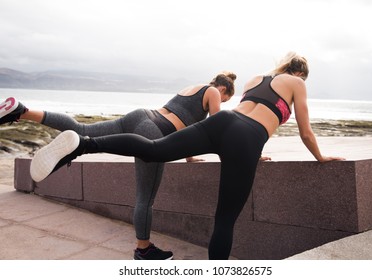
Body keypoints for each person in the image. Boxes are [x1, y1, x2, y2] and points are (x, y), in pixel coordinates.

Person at [30, 52, 345, 259]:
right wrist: (320, 157)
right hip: (245, 139)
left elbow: (250, 112)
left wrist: (250, 151)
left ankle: (84, 144)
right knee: (224, 220)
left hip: (224, 122)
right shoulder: (297, 84)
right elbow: (304, 131)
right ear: (301, 72)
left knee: (154, 150)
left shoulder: (256, 79)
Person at [1, 71, 236, 260]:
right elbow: (213, 127)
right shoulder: (214, 92)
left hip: (141, 115)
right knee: (145, 197)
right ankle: (144, 249)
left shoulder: (193, 87)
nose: (222, 101)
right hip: (154, 131)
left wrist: (190, 158)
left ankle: (22, 111)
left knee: (82, 130)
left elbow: (184, 119)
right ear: (224, 89)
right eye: (226, 100)